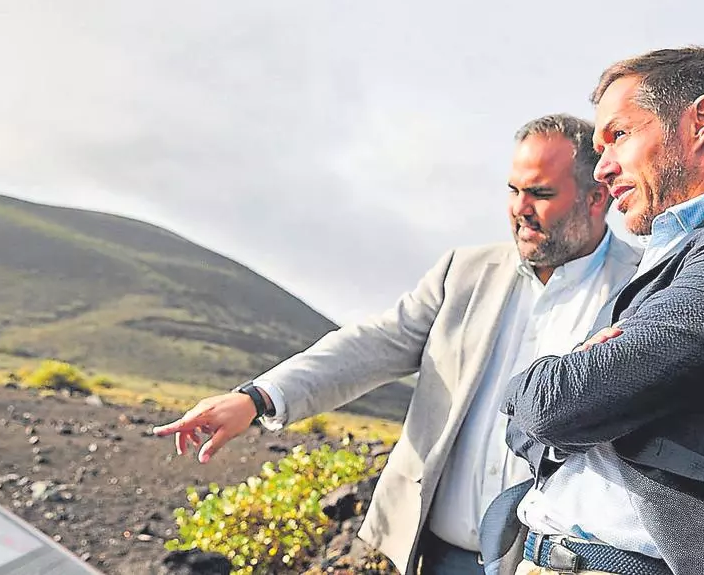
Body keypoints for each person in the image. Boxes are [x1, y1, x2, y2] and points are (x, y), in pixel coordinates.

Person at [153, 114, 642, 575]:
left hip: (562, 564)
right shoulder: (464, 272)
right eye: (513, 190)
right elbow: (373, 344)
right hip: (442, 557)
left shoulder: (644, 285)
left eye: (540, 193)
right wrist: (257, 397)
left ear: (596, 198)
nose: (520, 209)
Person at [483, 47, 704, 575]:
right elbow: (527, 427)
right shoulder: (661, 263)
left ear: (700, 121)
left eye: (618, 135)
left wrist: (555, 388)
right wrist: (569, 397)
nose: (602, 169)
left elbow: (551, 406)